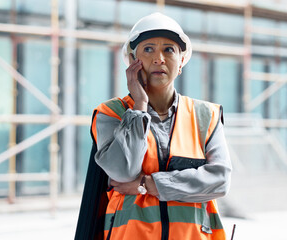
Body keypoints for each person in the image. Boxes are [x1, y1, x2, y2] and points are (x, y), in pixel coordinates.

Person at [76, 12, 231, 240]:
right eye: (148, 49)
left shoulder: (206, 115)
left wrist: (147, 184)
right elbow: (123, 170)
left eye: (169, 49)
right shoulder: (111, 114)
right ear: (132, 61)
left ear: (181, 62)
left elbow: (220, 180)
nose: (159, 58)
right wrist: (139, 107)